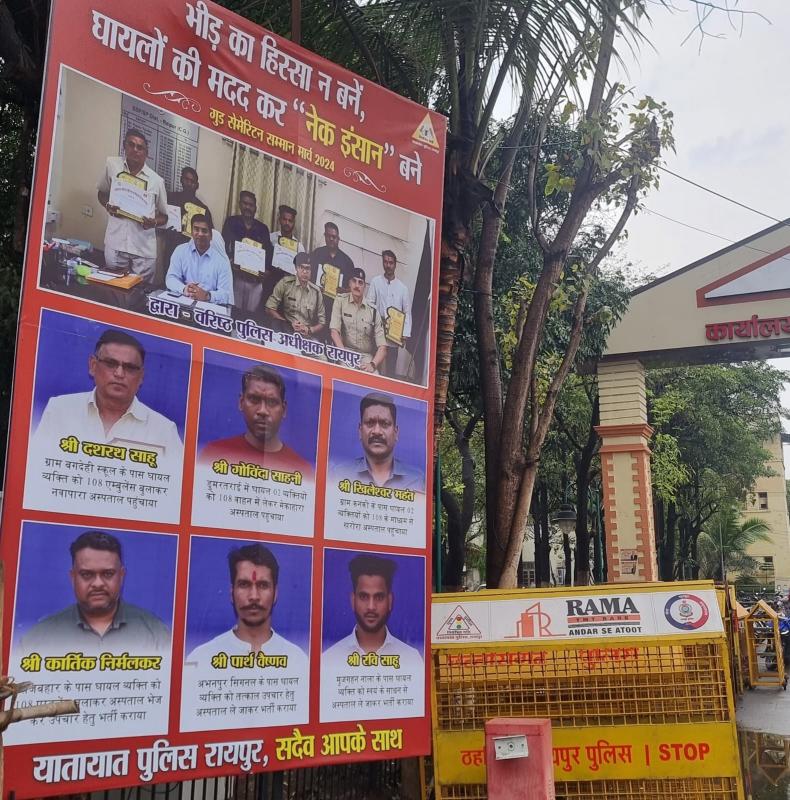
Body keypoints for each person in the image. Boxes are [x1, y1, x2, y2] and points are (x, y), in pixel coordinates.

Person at [31, 329, 183, 462]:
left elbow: (177, 488)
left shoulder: (163, 431)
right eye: (111, 364)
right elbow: (37, 467)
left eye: (129, 367)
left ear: (141, 377)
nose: (119, 373)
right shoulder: (60, 410)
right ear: (93, 365)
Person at [20, 531, 171, 654]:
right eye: (86, 574)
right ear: (73, 578)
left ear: (122, 576)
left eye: (108, 574)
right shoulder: (37, 639)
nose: (98, 583)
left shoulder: (156, 634)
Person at [184, 543, 307, 669]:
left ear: (275, 594)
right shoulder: (201, 659)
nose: (254, 596)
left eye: (263, 585)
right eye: (244, 584)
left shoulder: (297, 660)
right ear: (232, 593)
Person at [199, 363, 314, 478]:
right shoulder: (213, 455)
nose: (263, 411)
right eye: (254, 399)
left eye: (272, 402)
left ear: (283, 409)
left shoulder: (302, 471)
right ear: (241, 402)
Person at [97, 128, 168, 285]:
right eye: (131, 144)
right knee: (113, 289)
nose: (135, 150)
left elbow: (165, 215)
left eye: (140, 147)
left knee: (139, 294)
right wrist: (108, 205)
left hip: (143, 248)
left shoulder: (157, 181)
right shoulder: (112, 165)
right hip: (116, 242)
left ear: (146, 152)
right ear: (125, 146)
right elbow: (101, 193)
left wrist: (153, 222)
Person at [322, 555, 422, 665]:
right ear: (353, 600)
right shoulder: (329, 659)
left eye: (379, 597)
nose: (371, 606)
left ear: (390, 601)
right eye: (364, 597)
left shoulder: (411, 658)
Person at [334, 393, 423, 491]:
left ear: (396, 433)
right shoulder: (339, 475)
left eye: (385, 424)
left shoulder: (417, 480)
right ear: (360, 431)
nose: (377, 431)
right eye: (370, 423)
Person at [221, 191, 273, 314]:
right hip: (236, 277)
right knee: (233, 312)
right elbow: (222, 246)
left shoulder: (263, 229)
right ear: (239, 204)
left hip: (255, 282)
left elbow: (268, 253)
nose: (247, 207)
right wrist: (229, 261)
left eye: (251, 205)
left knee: (251, 315)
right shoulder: (231, 222)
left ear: (255, 208)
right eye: (245, 203)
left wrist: (267, 271)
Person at [165, 214, 234, 305]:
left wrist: (207, 296)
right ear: (191, 232)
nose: (200, 234)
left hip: (208, 309)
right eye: (196, 229)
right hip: (183, 301)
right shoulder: (180, 251)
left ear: (211, 235)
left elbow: (226, 294)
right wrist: (184, 289)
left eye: (204, 231)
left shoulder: (221, 262)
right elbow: (170, 278)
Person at [330, 268, 387, 372]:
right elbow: (334, 332)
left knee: (374, 379)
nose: (357, 285)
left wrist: (372, 365)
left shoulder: (373, 311)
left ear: (365, 286)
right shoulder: (340, 301)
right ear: (349, 283)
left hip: (366, 357)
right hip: (346, 351)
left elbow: (382, 347)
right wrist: (344, 355)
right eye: (354, 281)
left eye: (360, 283)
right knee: (344, 374)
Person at [367, 250, 412, 378]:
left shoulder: (402, 288)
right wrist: (380, 316)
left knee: (392, 365)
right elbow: (370, 302)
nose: (388, 265)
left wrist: (405, 333)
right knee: (376, 362)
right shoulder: (376, 282)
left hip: (394, 334)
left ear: (395, 264)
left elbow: (407, 312)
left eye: (390, 262)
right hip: (378, 330)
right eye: (385, 262)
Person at [264, 251, 325, 339]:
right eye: (301, 267)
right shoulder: (285, 283)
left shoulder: (316, 291)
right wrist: (287, 323)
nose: (305, 271)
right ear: (296, 268)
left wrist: (309, 329)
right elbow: (269, 308)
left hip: (306, 335)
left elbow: (322, 323)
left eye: (308, 268)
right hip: (285, 330)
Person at [164, 166, 214, 267]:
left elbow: (210, 234)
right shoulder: (170, 198)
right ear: (181, 180)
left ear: (197, 185)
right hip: (171, 248)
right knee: (170, 279)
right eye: (186, 179)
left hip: (193, 253)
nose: (189, 183)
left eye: (192, 181)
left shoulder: (203, 209)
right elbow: (161, 217)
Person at [270, 204, 305, 276]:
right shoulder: (271, 238)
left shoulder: (299, 247)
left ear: (294, 223)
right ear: (279, 220)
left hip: (289, 283)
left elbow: (302, 270)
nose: (287, 223)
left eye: (290, 221)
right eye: (284, 219)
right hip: (272, 280)